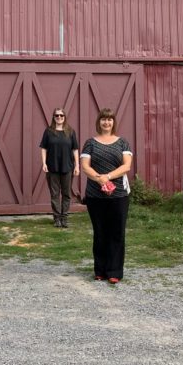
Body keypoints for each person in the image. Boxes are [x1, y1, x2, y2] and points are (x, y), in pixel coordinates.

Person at [80, 108, 133, 284]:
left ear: (113, 122)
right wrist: (100, 180)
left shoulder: (123, 143)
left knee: (117, 233)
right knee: (100, 232)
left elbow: (126, 166)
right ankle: (100, 270)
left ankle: (114, 271)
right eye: (103, 119)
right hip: (95, 196)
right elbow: (85, 166)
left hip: (119, 195)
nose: (106, 122)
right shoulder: (90, 143)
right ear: (99, 122)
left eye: (109, 119)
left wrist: (108, 177)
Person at [40, 108, 80, 228]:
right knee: (55, 194)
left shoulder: (70, 132)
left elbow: (75, 149)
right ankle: (57, 218)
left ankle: (64, 218)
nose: (59, 117)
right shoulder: (48, 131)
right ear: (53, 117)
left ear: (64, 117)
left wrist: (77, 165)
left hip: (67, 167)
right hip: (52, 167)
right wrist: (44, 163)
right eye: (56, 115)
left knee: (67, 193)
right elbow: (43, 148)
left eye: (61, 115)